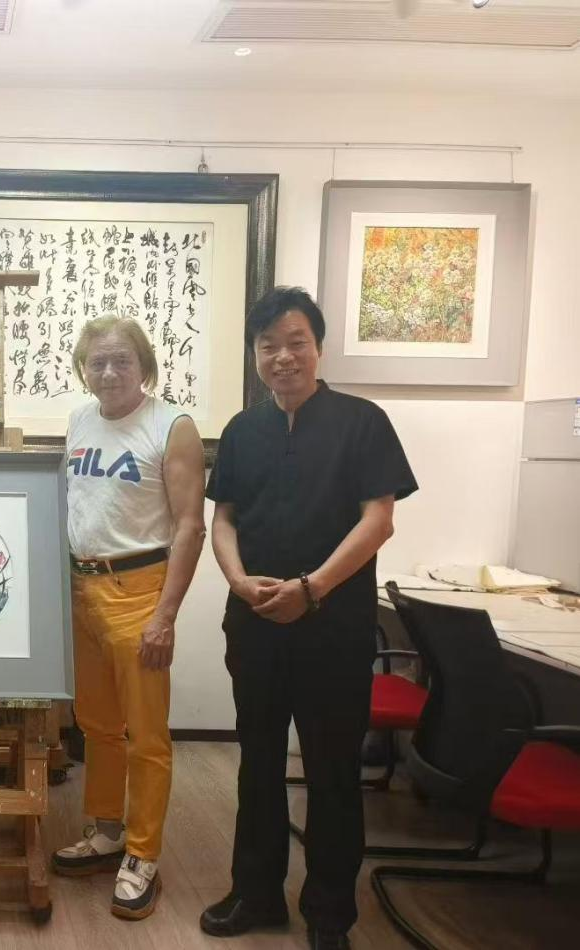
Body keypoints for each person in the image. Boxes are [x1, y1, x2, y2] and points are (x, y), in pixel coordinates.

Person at [199, 287, 417, 950]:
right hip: (255, 623)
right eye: (268, 345)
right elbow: (224, 519)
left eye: (296, 342)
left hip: (334, 626)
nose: (282, 357)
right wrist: (237, 581)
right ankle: (256, 893)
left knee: (331, 771)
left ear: (317, 347)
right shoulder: (242, 430)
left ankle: (329, 914)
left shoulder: (362, 421)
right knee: (258, 761)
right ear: (254, 355)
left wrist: (312, 588)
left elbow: (378, 520)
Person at [51, 315, 207, 920]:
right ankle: (106, 831)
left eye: (122, 360)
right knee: (97, 725)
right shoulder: (80, 420)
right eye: (98, 362)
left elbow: (189, 526)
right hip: (81, 589)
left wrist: (165, 615)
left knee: (146, 735)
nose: (110, 372)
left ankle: (143, 854)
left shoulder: (173, 426)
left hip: (140, 591)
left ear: (145, 365)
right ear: (83, 369)